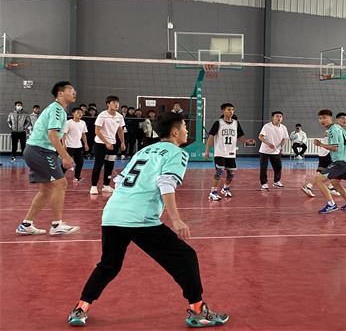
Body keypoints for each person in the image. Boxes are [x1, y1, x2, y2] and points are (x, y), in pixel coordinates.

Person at [67, 112, 229, 327]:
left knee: (109, 265)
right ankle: (198, 312)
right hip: (140, 217)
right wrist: (177, 220)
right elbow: (166, 183)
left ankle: (80, 309)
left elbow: (120, 181)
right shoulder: (177, 153)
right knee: (186, 257)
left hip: (112, 213)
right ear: (175, 132)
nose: (186, 130)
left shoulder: (143, 150)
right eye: (184, 127)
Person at [15, 81, 79, 236]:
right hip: (40, 151)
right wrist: (65, 156)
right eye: (70, 90)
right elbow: (52, 135)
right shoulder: (57, 109)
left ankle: (26, 224)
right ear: (60, 93)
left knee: (46, 190)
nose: (74, 93)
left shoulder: (57, 109)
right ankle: (57, 225)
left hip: (35, 150)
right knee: (61, 184)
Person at [306, 110, 346, 214]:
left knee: (319, 181)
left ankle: (331, 204)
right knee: (335, 183)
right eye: (320, 118)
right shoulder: (339, 128)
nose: (322, 120)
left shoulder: (332, 130)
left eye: (324, 118)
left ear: (330, 118)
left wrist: (320, 144)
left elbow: (334, 147)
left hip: (341, 162)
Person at [204, 103, 255, 201]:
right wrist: (207, 150)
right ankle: (213, 192)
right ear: (223, 111)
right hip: (220, 152)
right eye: (228, 109)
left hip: (231, 152)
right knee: (219, 171)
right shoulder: (218, 123)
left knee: (231, 173)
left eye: (232, 110)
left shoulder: (236, 123)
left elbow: (239, 137)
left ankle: (225, 188)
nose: (231, 111)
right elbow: (211, 136)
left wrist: (246, 140)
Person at [301, 112, 346, 198]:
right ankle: (310, 186)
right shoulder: (334, 128)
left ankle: (327, 187)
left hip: (329, 153)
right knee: (327, 174)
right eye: (342, 118)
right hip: (327, 153)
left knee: (333, 172)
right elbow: (326, 134)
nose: (344, 120)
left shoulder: (339, 129)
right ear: (336, 119)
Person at [90, 96, 126, 195]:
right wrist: (106, 142)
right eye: (113, 102)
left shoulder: (119, 116)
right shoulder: (102, 115)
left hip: (112, 144)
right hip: (100, 143)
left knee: (110, 165)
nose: (116, 104)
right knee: (98, 164)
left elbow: (120, 130)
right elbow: (97, 131)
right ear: (108, 104)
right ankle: (94, 186)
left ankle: (106, 185)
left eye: (117, 102)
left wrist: (122, 142)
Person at [258, 111, 289, 190]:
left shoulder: (283, 128)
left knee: (278, 167)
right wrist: (268, 143)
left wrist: (282, 147)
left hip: (276, 151)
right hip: (265, 151)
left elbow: (284, 139)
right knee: (264, 168)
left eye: (280, 116)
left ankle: (276, 181)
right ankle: (264, 183)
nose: (279, 118)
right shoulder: (267, 126)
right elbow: (260, 136)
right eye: (277, 116)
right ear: (273, 117)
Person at [61, 107, 89, 182]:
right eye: (78, 112)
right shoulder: (68, 123)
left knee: (80, 162)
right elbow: (64, 134)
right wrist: (64, 144)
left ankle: (76, 177)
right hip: (69, 145)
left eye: (81, 113)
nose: (80, 114)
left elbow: (83, 134)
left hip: (78, 146)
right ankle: (59, 177)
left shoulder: (83, 123)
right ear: (73, 113)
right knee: (66, 163)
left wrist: (85, 144)